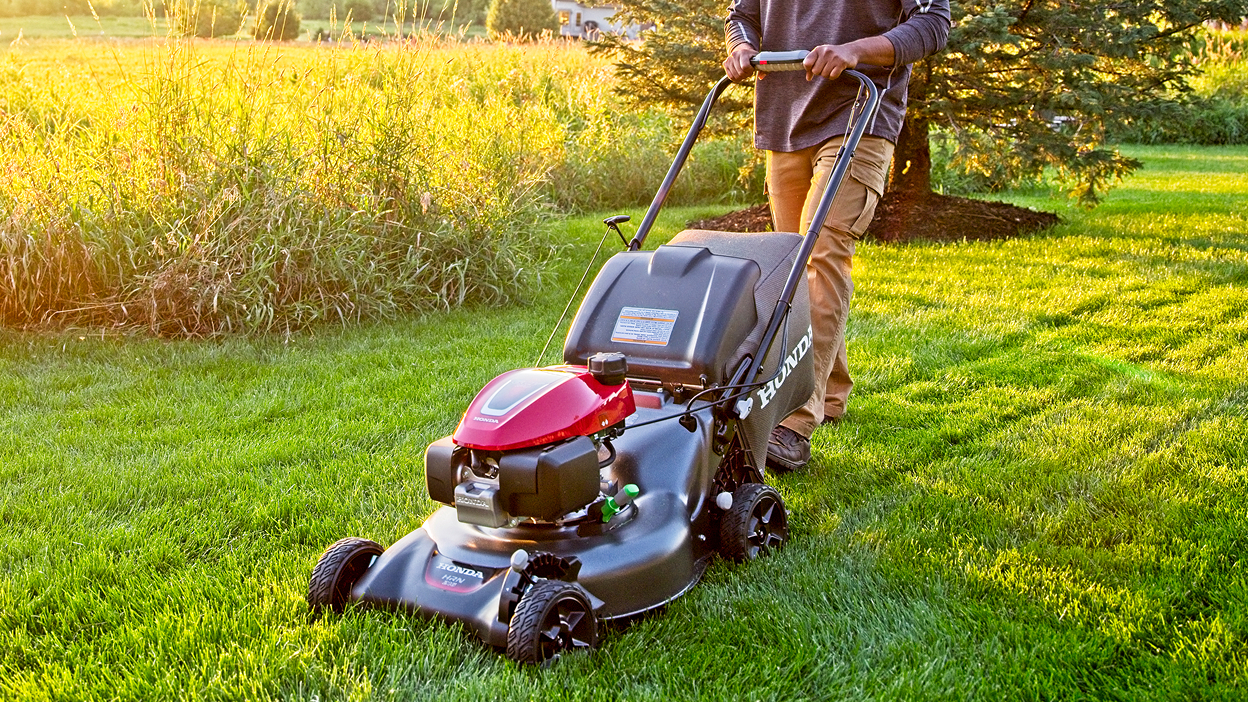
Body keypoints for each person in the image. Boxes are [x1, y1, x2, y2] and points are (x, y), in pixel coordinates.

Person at [723, 0, 950, 472]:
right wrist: (741, 46)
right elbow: (742, 13)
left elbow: (932, 24)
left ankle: (793, 421)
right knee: (790, 273)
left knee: (820, 253)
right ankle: (831, 393)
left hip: (860, 110)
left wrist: (853, 50)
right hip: (785, 120)